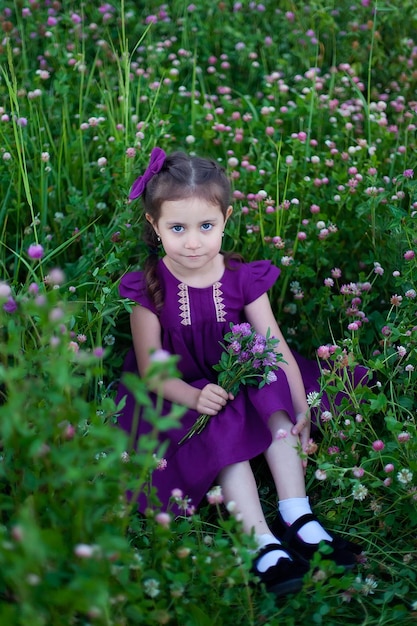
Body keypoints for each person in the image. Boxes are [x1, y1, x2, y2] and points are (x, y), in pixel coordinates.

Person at [116, 148, 364, 596]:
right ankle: (260, 540)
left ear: (226, 219)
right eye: (177, 228)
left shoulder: (241, 277)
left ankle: (297, 513)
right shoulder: (147, 290)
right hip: (179, 394)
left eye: (205, 227)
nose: (193, 242)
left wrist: (299, 405)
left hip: (242, 373)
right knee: (218, 427)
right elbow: (153, 372)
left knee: (272, 383)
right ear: (154, 227)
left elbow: (274, 346)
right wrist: (192, 397)